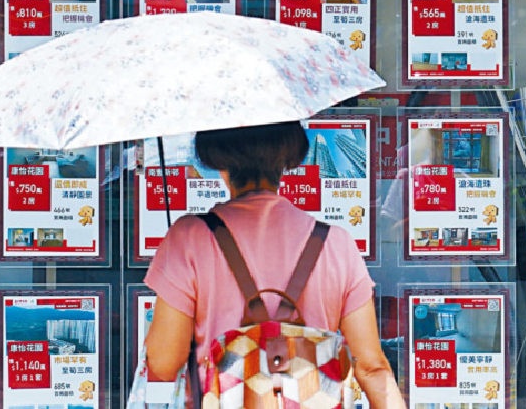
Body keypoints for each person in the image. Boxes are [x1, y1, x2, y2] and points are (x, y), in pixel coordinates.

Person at [144, 121, 405, 409]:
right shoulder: (336, 243)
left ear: (216, 156)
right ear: (289, 155)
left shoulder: (188, 238)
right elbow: (371, 368)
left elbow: (164, 362)